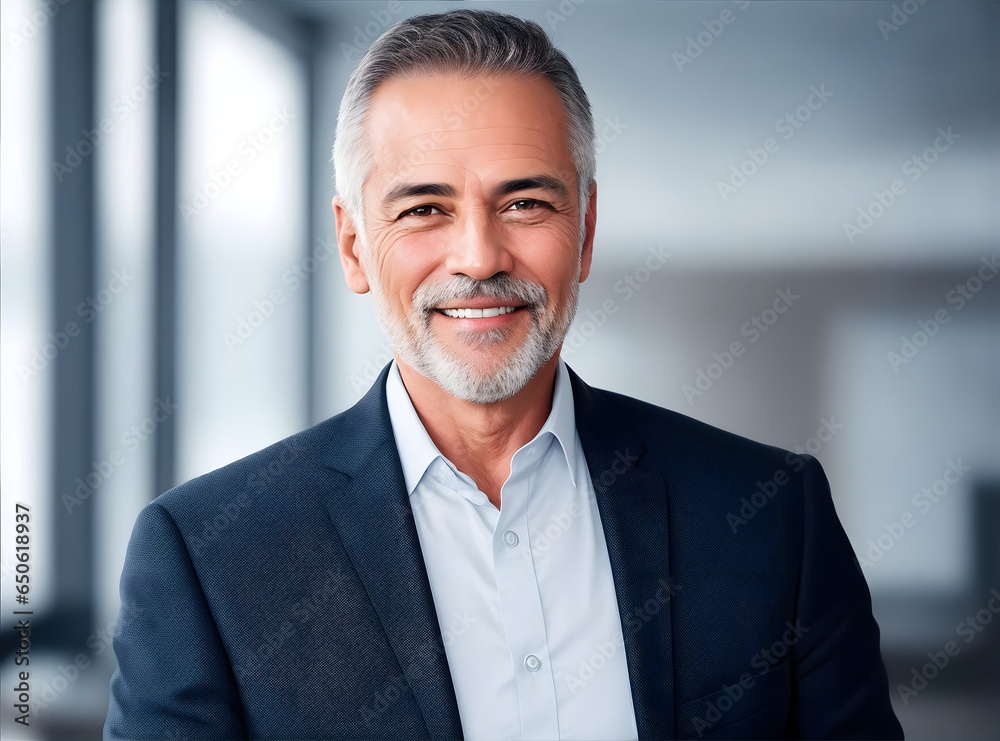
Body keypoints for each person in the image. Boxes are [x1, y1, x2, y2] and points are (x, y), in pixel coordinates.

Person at [105, 9, 903, 740]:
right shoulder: (209, 558)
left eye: (524, 203)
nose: (480, 257)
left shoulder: (772, 516)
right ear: (352, 246)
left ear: (585, 230)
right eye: (424, 208)